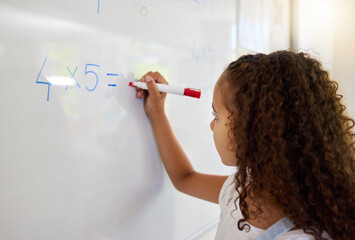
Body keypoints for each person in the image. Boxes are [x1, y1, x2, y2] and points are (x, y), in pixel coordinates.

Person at [133, 51, 355, 240]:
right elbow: (185, 178)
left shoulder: (300, 234)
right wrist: (157, 113)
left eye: (216, 114)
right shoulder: (243, 188)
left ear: (253, 127)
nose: (212, 125)